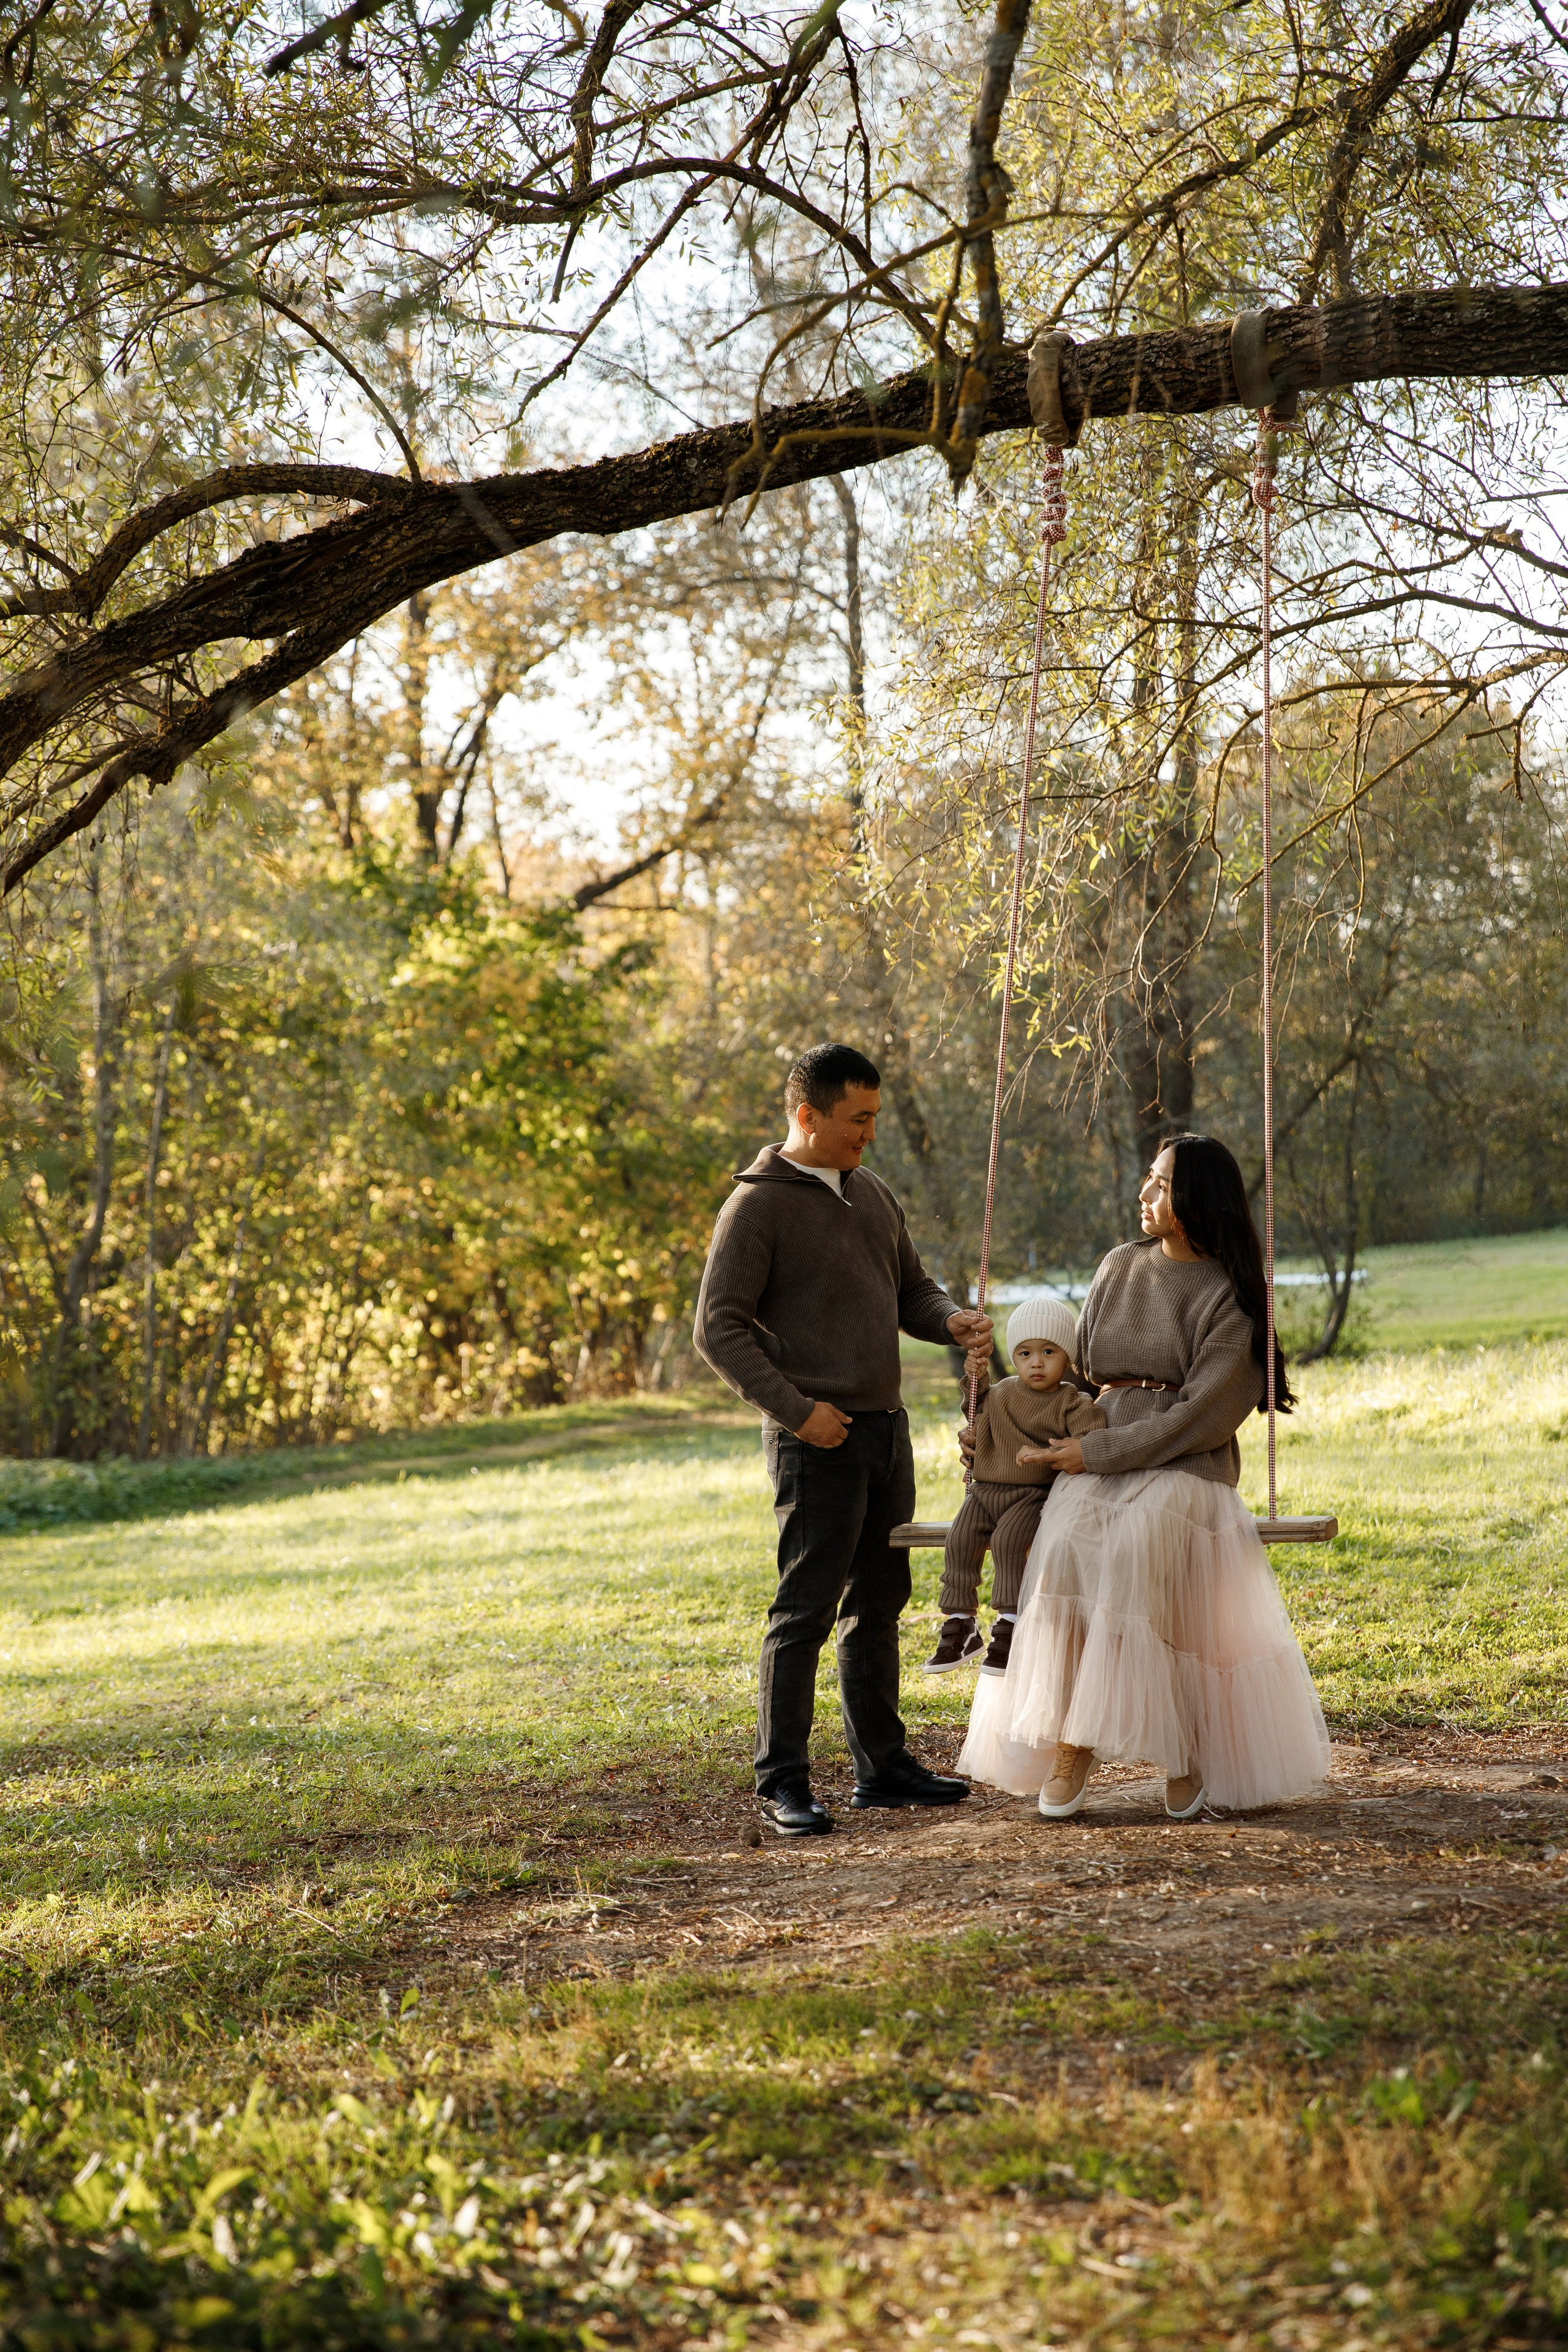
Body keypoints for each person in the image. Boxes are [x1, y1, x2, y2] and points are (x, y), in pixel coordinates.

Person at [957, 1133, 1330, 1822]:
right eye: (1148, 1180)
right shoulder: (1119, 1265)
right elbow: (1076, 1377)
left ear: (1194, 1199)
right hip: (1096, 1440)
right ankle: (1073, 1737)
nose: (1144, 1193)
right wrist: (1002, 1425)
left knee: (1136, 1551)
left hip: (1184, 1463)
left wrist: (1094, 1456)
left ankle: (1183, 1744)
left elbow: (1200, 1418)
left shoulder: (1233, 1299)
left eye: (1159, 1183)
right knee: (1063, 1548)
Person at [693, 1042, 994, 1837]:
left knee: (880, 1605)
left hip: (886, 1432)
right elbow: (716, 1329)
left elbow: (911, 1289)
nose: (869, 1134)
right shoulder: (757, 1207)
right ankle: (781, 1782)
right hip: (815, 1442)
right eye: (857, 1119)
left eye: (874, 1118)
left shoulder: (872, 1193)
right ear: (808, 1114)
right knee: (804, 1611)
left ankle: (883, 1770)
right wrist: (799, 1413)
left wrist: (949, 1321)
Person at [925, 1296, 1104, 1680]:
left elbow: (1091, 1439)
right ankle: (961, 1623)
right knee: (959, 1540)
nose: (1036, 1362)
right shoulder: (1002, 1392)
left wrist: (1044, 1454)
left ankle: (1010, 1624)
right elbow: (974, 1410)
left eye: (1048, 1352)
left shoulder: (1071, 1401)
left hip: (1030, 1495)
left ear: (1067, 1358)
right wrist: (975, 1376)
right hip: (985, 1490)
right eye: (1025, 1353)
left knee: (1008, 1543)